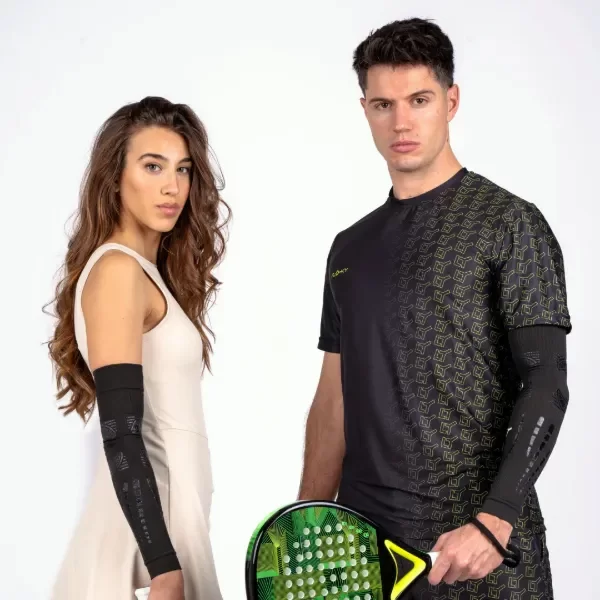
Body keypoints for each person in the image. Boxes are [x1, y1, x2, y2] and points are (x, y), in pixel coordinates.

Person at [297, 18, 570, 600]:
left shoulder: (509, 223)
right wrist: (304, 532)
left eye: (419, 100)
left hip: (479, 555)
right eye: (383, 104)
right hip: (367, 555)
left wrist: (495, 521)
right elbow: (331, 402)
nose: (401, 122)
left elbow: (546, 383)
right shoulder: (349, 249)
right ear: (365, 110)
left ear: (451, 101)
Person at [46, 96, 229, 599]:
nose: (173, 186)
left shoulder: (145, 274)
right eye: (152, 166)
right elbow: (121, 432)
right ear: (114, 177)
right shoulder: (118, 271)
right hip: (145, 550)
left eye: (183, 169)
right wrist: (163, 567)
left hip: (169, 530)